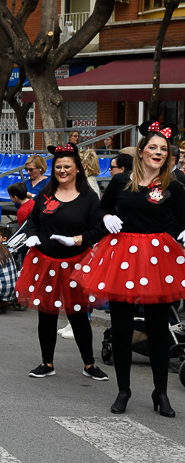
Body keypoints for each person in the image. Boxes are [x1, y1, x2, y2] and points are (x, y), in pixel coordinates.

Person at [74, 121, 185, 416]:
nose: (158, 152)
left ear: (168, 155)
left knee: (158, 330)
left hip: (157, 261)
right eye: (153, 147)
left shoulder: (173, 186)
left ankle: (160, 392)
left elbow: (182, 218)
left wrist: (168, 235)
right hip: (121, 259)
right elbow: (101, 209)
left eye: (163, 149)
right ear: (141, 151)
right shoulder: (121, 182)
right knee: (121, 329)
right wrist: (107, 219)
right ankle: (123, 390)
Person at [17, 144, 107, 380]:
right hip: (45, 261)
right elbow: (33, 219)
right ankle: (47, 362)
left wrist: (77, 241)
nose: (62, 170)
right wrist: (33, 235)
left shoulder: (89, 197)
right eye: (58, 167)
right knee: (46, 314)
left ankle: (89, 364)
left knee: (78, 314)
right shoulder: (46, 193)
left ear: (78, 169)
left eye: (67, 166)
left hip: (76, 263)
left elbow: (98, 230)